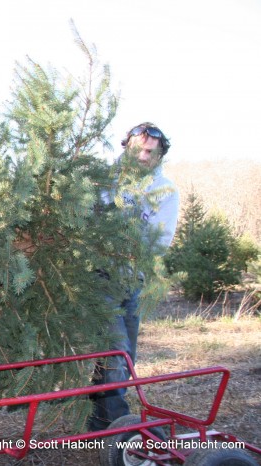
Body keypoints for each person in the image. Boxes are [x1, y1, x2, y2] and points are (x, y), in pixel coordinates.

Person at [88, 122, 180, 431]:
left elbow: (160, 240)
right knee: (118, 350)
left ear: (160, 154)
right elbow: (90, 226)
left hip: (134, 280)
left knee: (125, 356)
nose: (142, 157)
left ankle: (99, 420)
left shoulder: (165, 189)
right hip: (101, 276)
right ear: (126, 147)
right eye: (136, 149)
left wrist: (126, 240)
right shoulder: (105, 182)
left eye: (150, 152)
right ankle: (120, 425)